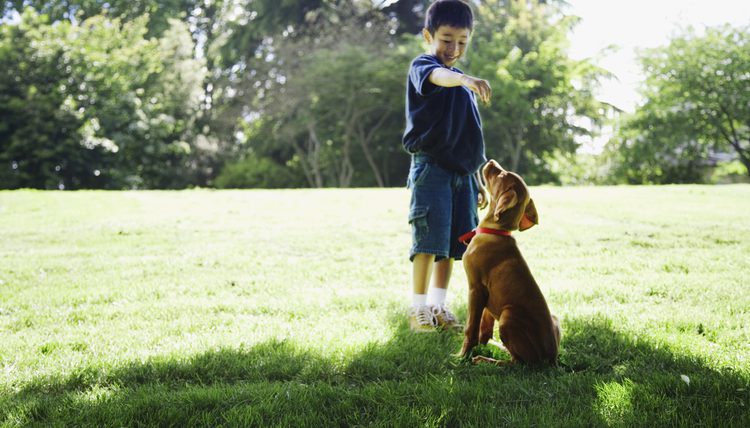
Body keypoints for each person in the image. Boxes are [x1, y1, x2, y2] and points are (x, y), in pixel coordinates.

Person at [403, 0, 492, 332]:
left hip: (462, 175)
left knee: (456, 245)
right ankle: (418, 309)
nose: (453, 48)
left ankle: (439, 306)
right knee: (429, 241)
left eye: (462, 41)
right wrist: (465, 79)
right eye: (446, 39)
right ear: (428, 35)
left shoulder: (461, 84)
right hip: (432, 169)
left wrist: (476, 178)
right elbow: (437, 76)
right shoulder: (425, 67)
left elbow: (467, 137)